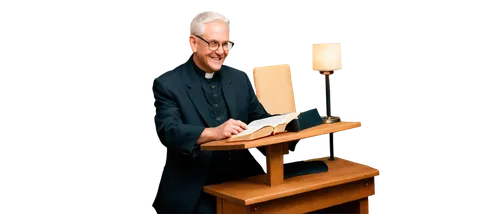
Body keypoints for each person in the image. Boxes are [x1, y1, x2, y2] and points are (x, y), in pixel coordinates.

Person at [152, 9, 272, 214]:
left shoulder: (240, 78)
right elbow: (169, 131)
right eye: (214, 43)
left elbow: (260, 119)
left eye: (226, 44)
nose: (221, 51)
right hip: (195, 192)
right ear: (192, 43)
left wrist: (289, 122)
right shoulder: (167, 85)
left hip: (242, 183)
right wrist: (214, 132)